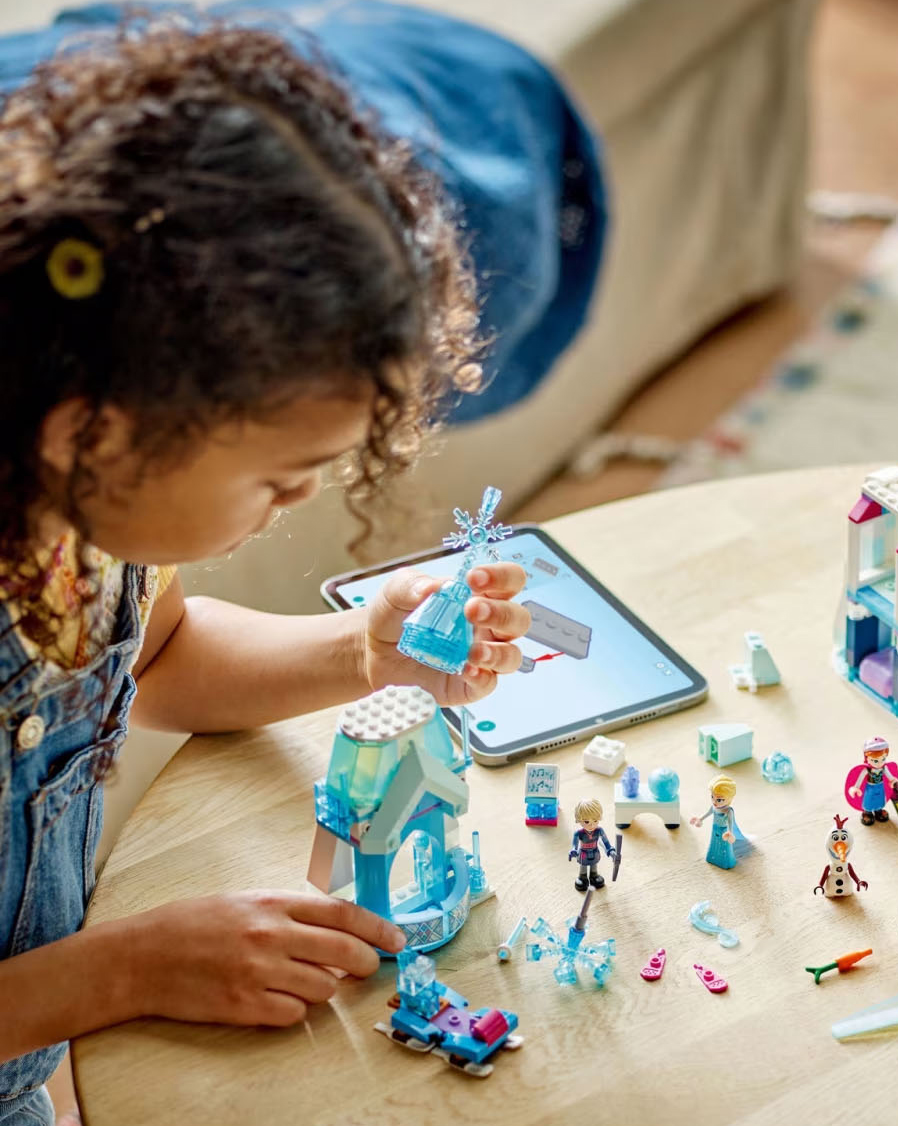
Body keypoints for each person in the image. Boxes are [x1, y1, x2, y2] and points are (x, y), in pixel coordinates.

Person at [0, 18, 534, 1124]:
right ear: (85, 430)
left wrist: (361, 649)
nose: (298, 505)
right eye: (283, 477)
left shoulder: (75, 525)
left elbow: (163, 655)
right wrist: (121, 969)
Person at [689, 774, 744, 870]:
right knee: (714, 844)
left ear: (729, 798)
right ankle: (712, 858)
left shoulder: (728, 811)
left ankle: (725, 862)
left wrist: (730, 832)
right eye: (712, 797)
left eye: (719, 799)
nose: (714, 801)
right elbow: (708, 813)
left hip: (724, 832)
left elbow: (730, 822)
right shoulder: (714, 807)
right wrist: (700, 819)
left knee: (724, 848)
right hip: (715, 829)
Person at [568, 799, 617, 891]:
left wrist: (610, 850)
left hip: (595, 852)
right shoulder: (579, 833)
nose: (591, 825)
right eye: (587, 822)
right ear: (579, 820)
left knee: (594, 865)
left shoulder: (599, 831)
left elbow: (605, 842)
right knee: (583, 866)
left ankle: (594, 876)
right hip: (583, 853)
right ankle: (582, 877)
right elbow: (575, 844)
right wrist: (574, 850)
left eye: (595, 820)